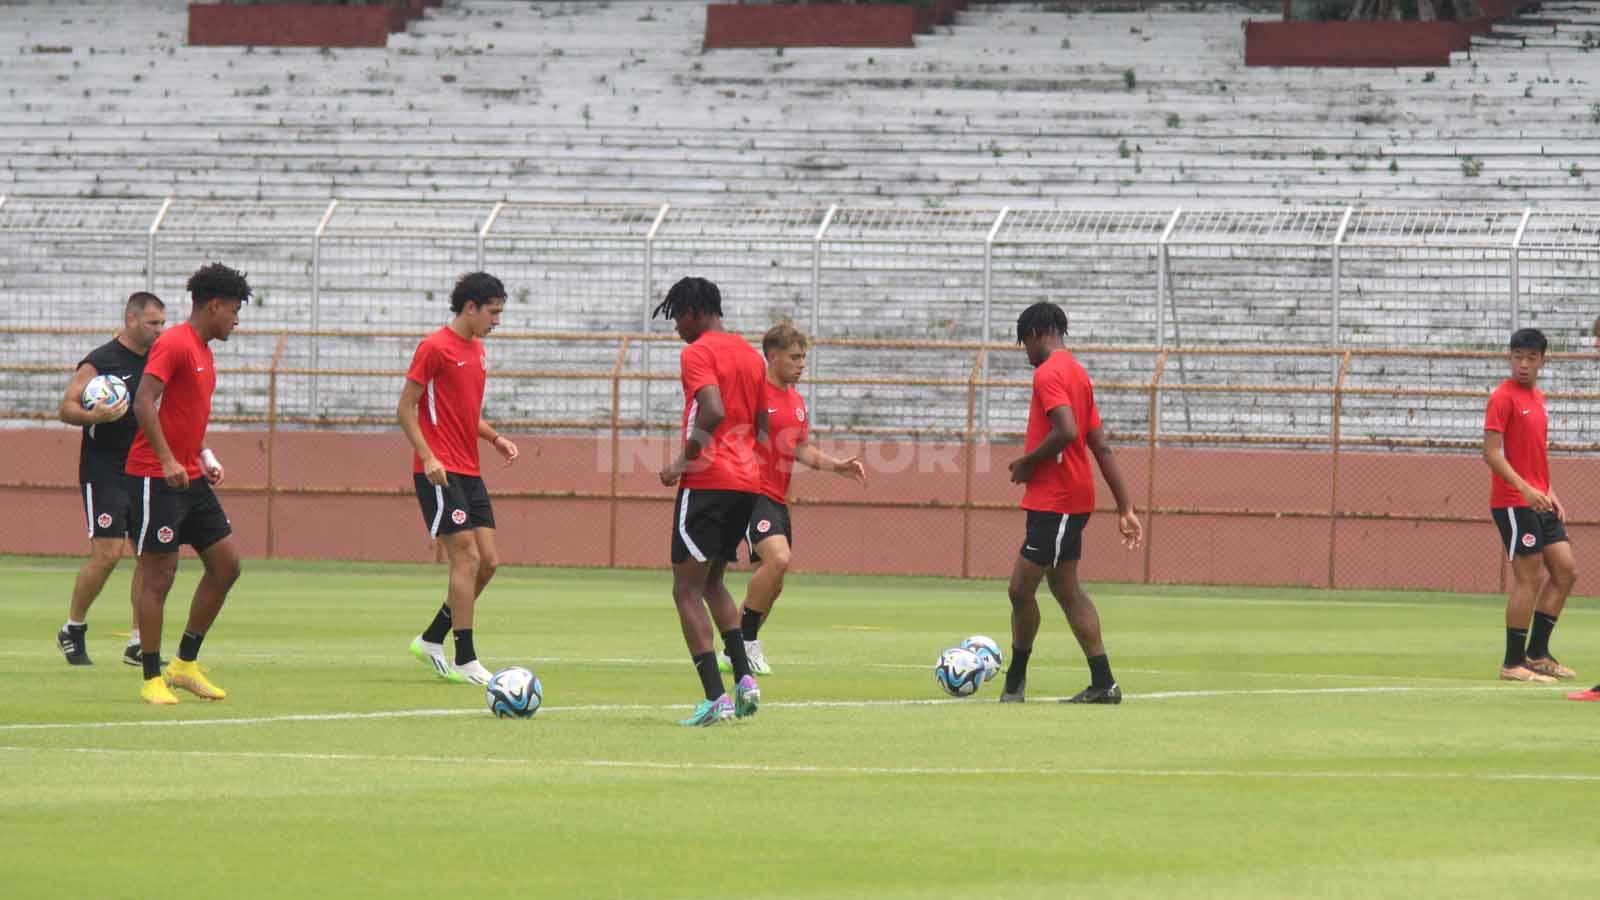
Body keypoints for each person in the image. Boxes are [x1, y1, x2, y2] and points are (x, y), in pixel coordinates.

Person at [1000, 301, 1142, 705]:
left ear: (1035, 333)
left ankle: (1015, 681)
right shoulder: (1078, 373)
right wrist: (1125, 507)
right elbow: (1101, 446)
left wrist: (1027, 462)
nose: (1026, 354)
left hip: (1057, 500)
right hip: (1066, 500)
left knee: (1019, 590)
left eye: (1024, 344)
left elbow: (1066, 430)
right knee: (1065, 588)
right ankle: (1103, 683)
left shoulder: (1048, 374)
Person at [125, 264, 249, 705]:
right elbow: (144, 401)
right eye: (234, 310)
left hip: (189, 476)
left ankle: (184, 665)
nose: (236, 320)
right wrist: (166, 459)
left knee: (227, 565)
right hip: (154, 477)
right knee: (160, 574)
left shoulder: (204, 352)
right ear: (214, 306)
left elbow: (184, 416)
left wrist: (202, 455)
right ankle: (151, 677)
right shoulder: (175, 342)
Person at [720, 321, 865, 676]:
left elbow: (801, 448)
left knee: (775, 581)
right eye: (794, 357)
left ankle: (732, 650)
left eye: (803, 358)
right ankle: (746, 644)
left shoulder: (796, 400)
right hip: (749, 492)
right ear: (772, 356)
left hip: (776, 498)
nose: (801, 365)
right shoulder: (753, 392)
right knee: (779, 559)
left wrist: (836, 466)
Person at [656, 276, 767, 726]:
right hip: (746, 481)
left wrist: (684, 461)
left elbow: (713, 408)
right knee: (713, 583)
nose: (676, 328)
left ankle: (715, 697)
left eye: (677, 318)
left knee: (685, 590)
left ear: (693, 312)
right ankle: (744, 680)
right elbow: (762, 425)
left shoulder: (698, 352)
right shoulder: (751, 354)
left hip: (707, 480)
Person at [398, 272, 519, 686]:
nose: (497, 321)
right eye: (493, 312)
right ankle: (466, 658)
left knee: (488, 562)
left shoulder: (479, 351)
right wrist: (427, 455)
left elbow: (464, 413)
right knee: (466, 559)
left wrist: (495, 438)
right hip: (439, 472)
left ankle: (432, 639)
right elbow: (405, 409)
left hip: (470, 470)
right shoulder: (434, 348)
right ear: (470, 307)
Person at [55, 293, 166, 666]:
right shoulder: (101, 361)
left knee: (150, 556)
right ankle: (73, 628)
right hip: (105, 470)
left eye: (162, 323)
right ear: (131, 319)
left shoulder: (158, 359)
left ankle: (139, 643)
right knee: (108, 554)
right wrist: (95, 416)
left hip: (144, 468)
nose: (159, 330)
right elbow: (66, 407)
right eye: (153, 323)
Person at [1483, 327, 1577, 685]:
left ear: (1542, 362)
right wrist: (1524, 488)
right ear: (1510, 358)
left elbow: (1534, 453)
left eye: (1530, 358)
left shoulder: (1538, 398)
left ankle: (1537, 654)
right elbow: (1491, 453)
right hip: (1513, 501)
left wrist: (1549, 490)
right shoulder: (1502, 397)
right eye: (1517, 357)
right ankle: (1512, 662)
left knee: (1566, 572)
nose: (1523, 364)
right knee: (1530, 577)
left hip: (1539, 499)